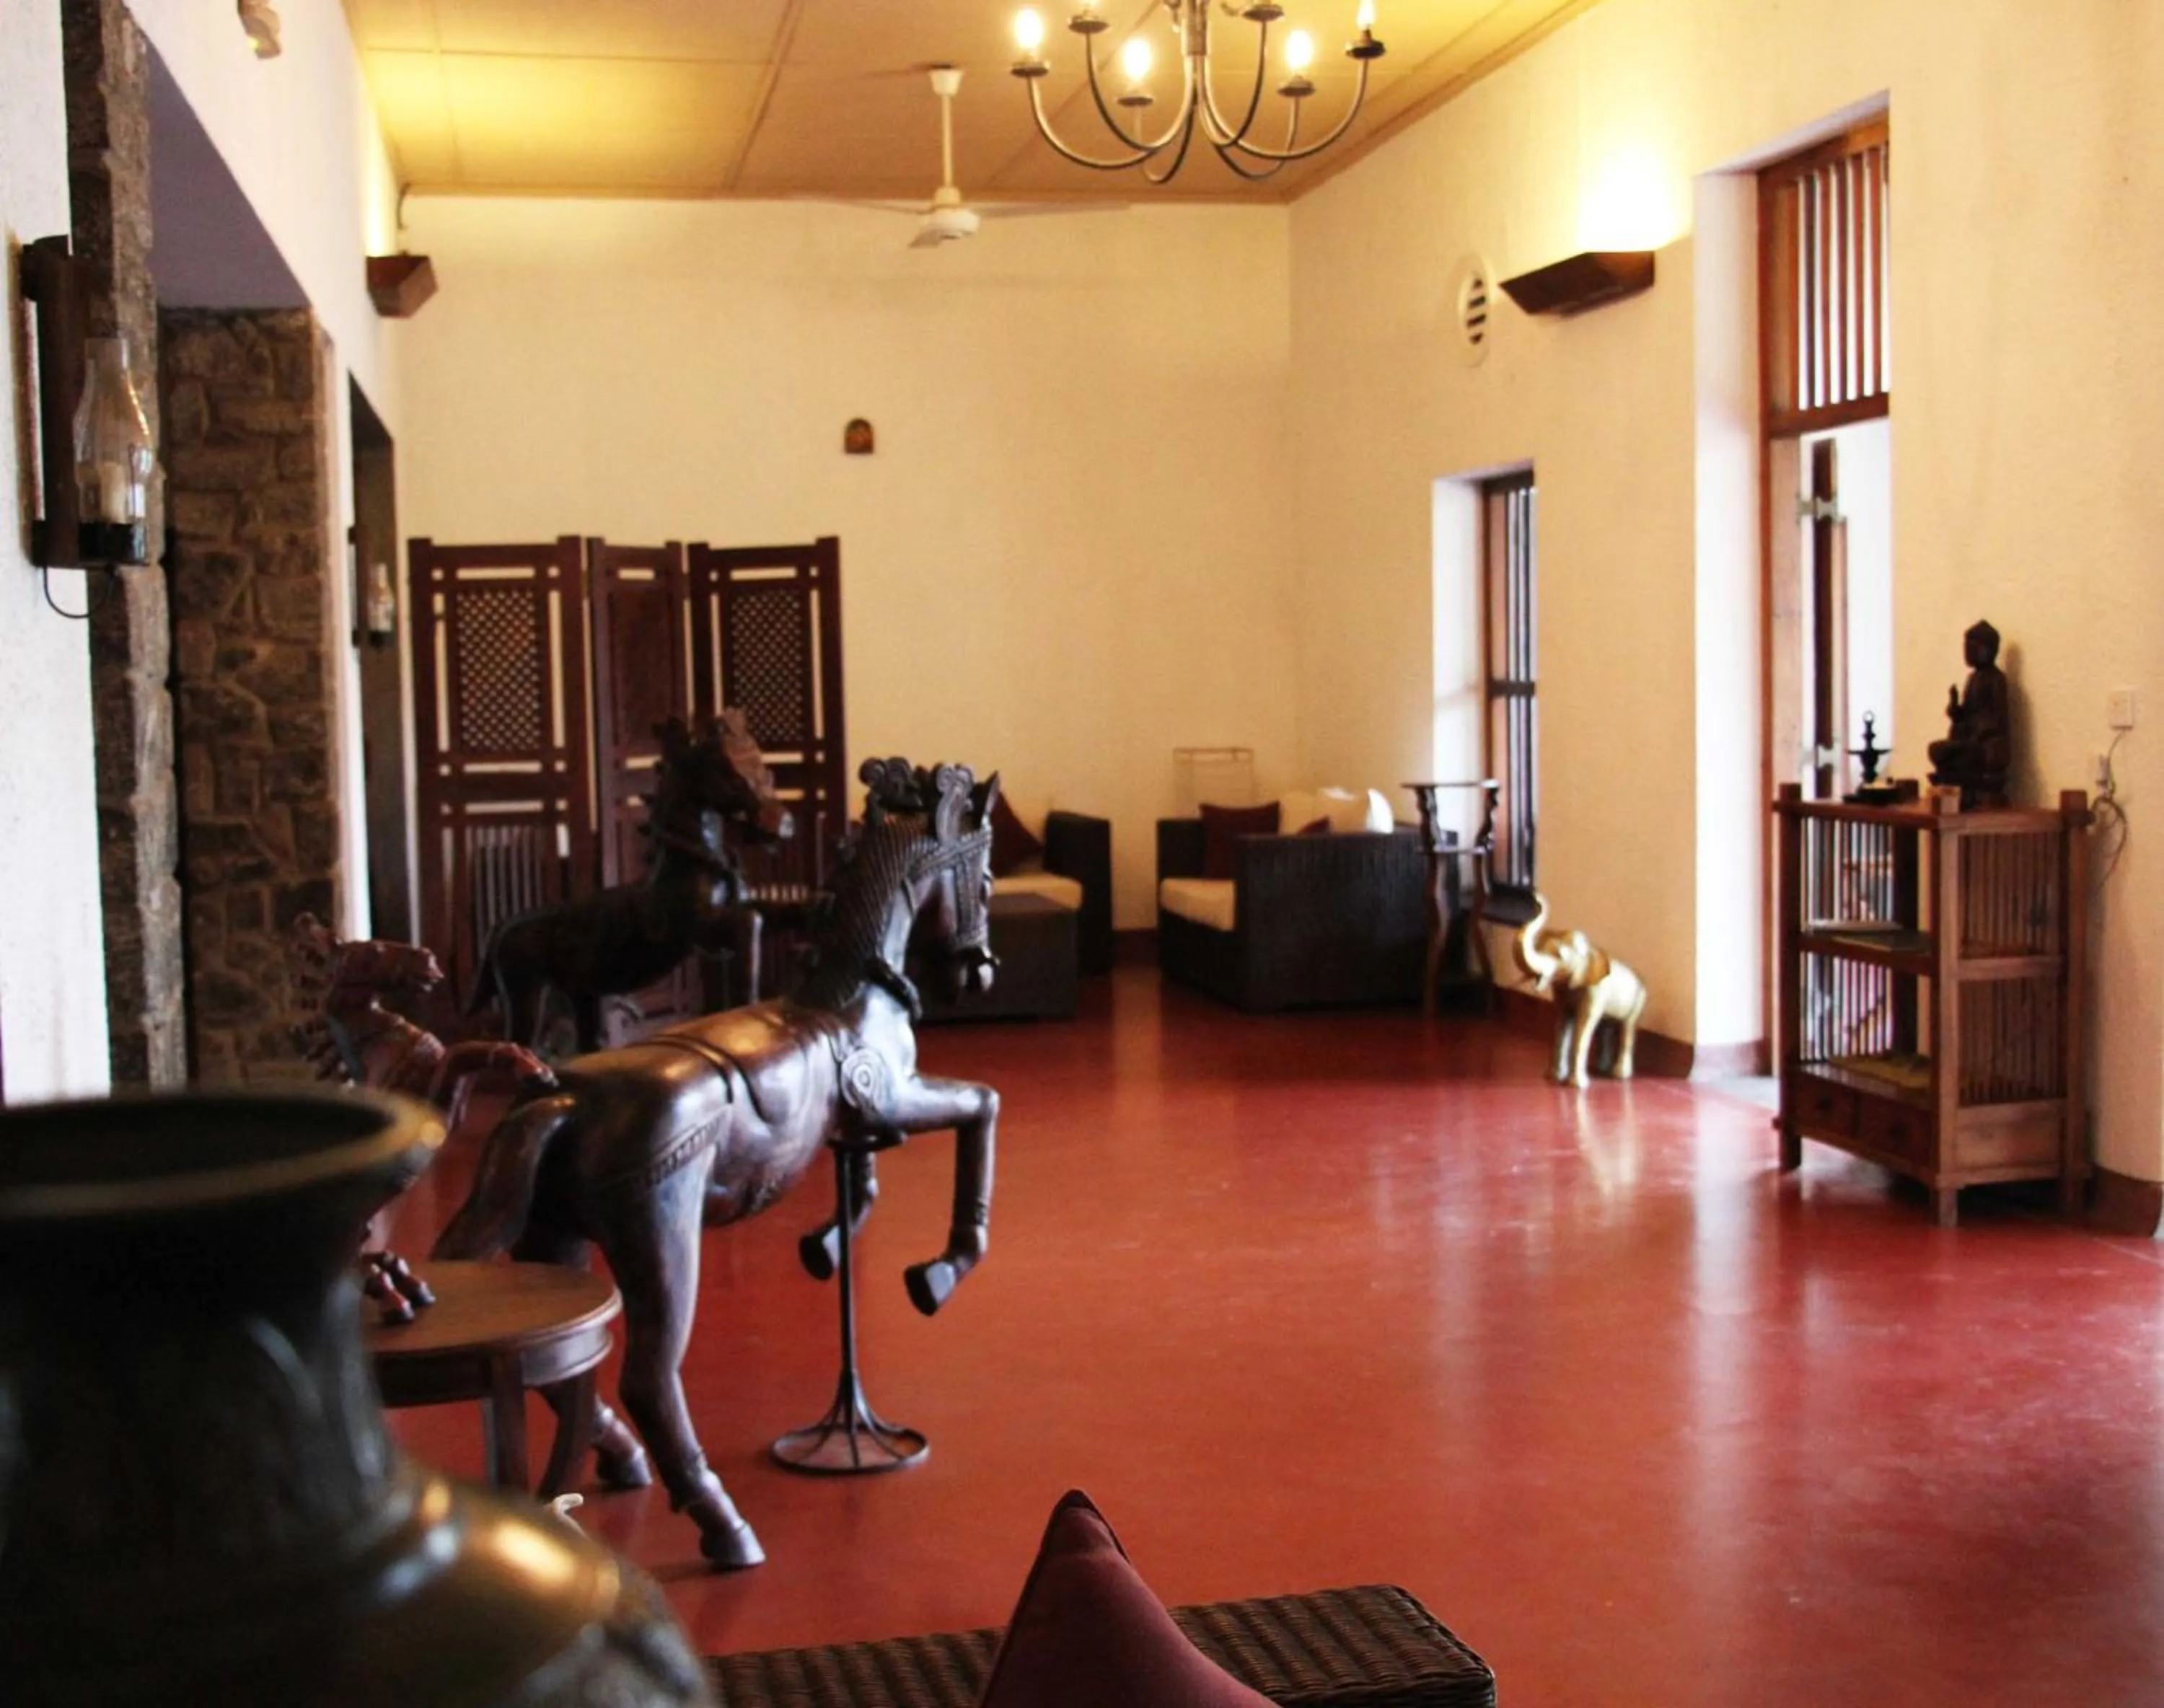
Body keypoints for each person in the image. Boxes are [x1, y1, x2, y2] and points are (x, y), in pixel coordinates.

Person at [1925, 619, 2010, 807]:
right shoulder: (1972, 679)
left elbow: (1999, 717)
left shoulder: (1996, 679)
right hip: (1967, 740)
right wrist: (1955, 709)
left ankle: (1963, 783)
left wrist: (1978, 730)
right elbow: (1965, 714)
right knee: (1935, 750)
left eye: (1971, 648)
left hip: (1981, 742)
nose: (1967, 653)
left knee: (1972, 755)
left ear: (1988, 650)